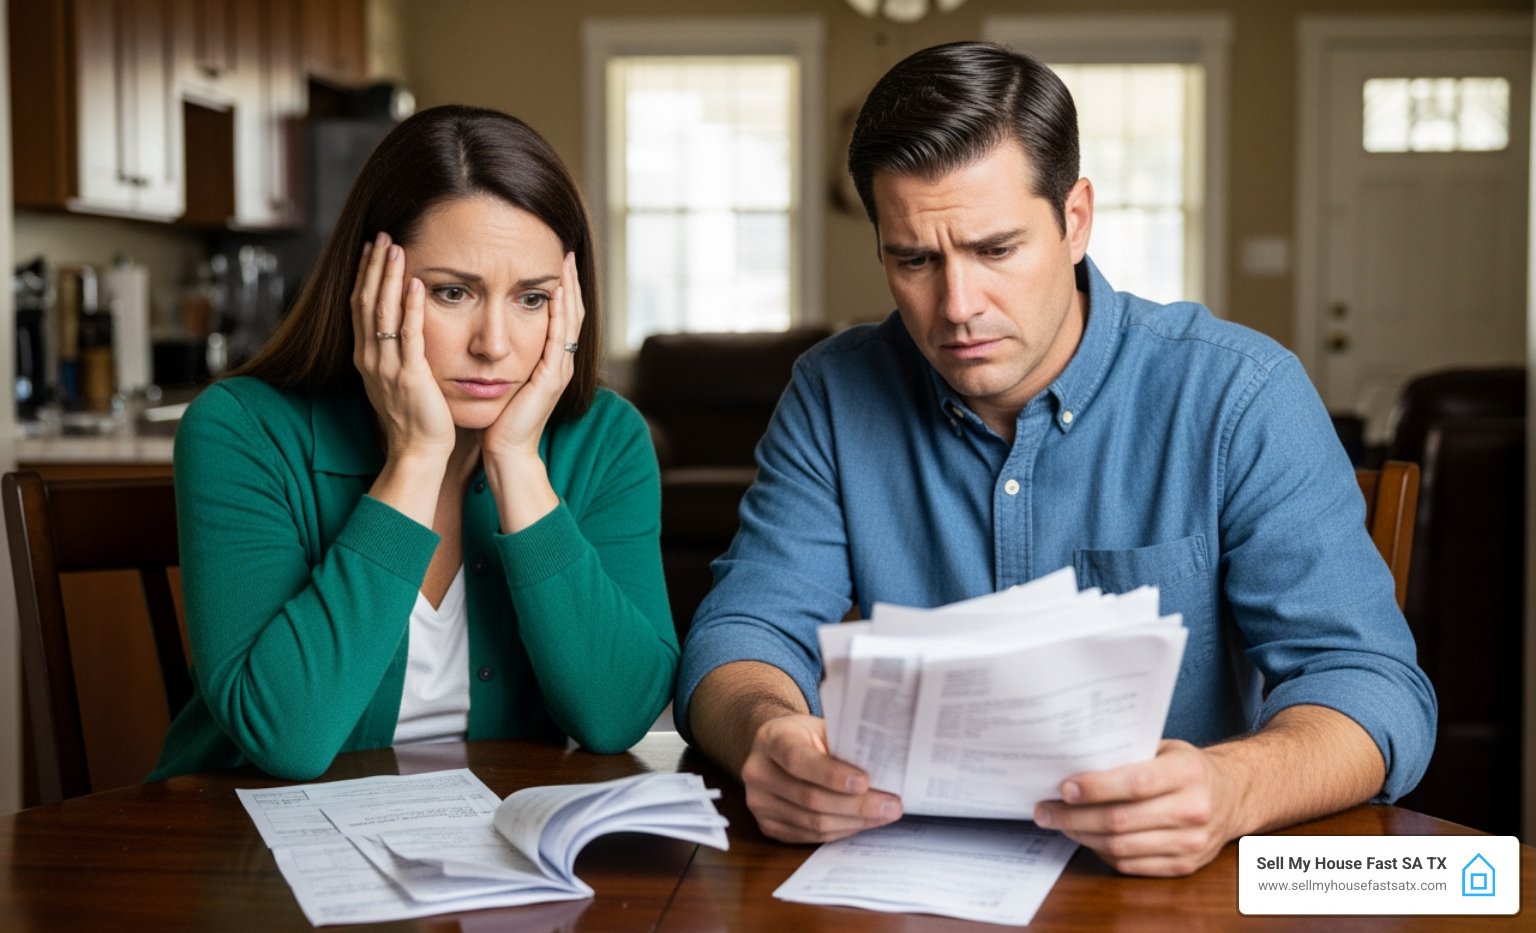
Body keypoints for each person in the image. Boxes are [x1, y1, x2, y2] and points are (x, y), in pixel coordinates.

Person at [677, 43, 1435, 876]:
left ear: (1076, 219)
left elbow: (1370, 684)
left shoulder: (1241, 394)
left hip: (1170, 889)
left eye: (996, 249)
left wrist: (1233, 786)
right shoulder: (833, 392)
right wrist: (769, 734)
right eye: (915, 260)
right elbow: (741, 631)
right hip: (909, 879)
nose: (957, 308)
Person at [151, 105, 677, 781]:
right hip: (242, 845)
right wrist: (416, 458)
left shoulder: (607, 440)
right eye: (453, 293)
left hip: (486, 853)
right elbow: (287, 737)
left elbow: (617, 718)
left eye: (532, 299)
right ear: (369, 286)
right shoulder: (241, 430)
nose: (493, 344)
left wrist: (518, 462)